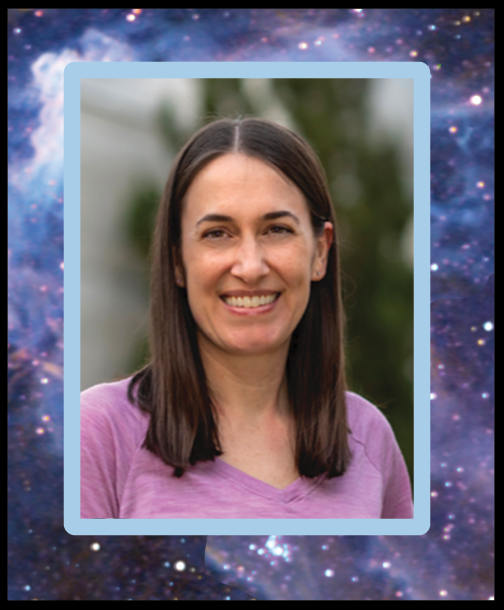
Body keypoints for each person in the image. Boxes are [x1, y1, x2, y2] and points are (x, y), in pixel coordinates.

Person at [81, 117, 413, 519]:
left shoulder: (368, 436)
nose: (251, 266)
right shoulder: (98, 433)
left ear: (320, 252)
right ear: (177, 261)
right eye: (218, 233)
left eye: (276, 229)